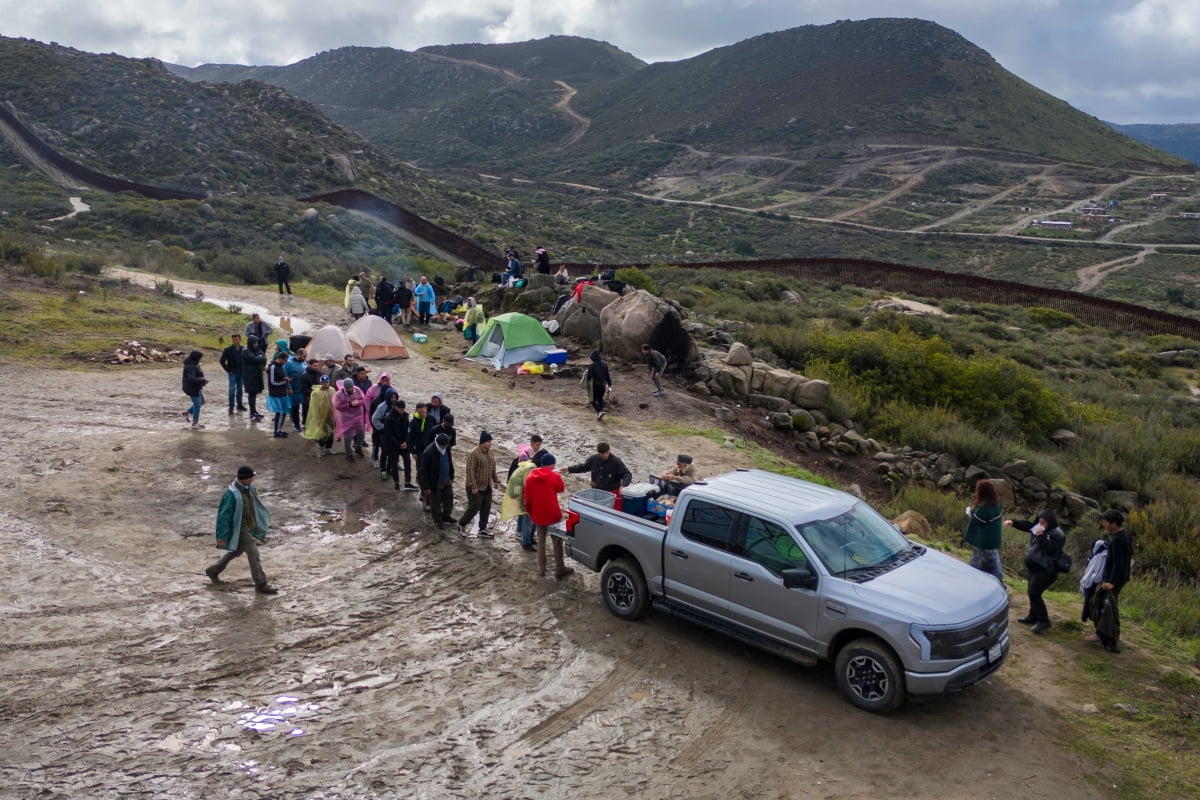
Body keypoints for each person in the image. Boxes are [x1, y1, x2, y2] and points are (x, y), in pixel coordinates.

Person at [205, 466, 277, 594]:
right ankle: (261, 584)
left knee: (236, 551)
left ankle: (213, 570)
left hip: (246, 528)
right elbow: (224, 517)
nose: (253, 479)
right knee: (254, 555)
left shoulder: (249, 489)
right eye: (251, 477)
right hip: (240, 529)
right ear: (244, 479)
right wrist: (222, 536)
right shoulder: (231, 494)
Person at [1005, 509, 1066, 634]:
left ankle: (1043, 620)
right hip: (1035, 566)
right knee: (1031, 591)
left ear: (1050, 522)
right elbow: (1028, 525)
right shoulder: (1039, 528)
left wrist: (1042, 536)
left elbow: (1052, 550)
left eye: (1044, 522)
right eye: (1040, 521)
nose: (1041, 524)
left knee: (1034, 592)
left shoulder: (1057, 534)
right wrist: (1013, 522)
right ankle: (1033, 616)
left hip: (1047, 569)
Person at [526, 453, 573, 579]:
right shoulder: (554, 476)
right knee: (557, 540)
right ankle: (560, 567)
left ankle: (541, 568)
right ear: (552, 464)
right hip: (552, 513)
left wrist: (530, 512)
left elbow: (527, 498)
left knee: (541, 540)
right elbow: (561, 488)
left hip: (538, 513)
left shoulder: (530, 477)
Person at [1091, 509, 1132, 653]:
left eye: (1106, 522)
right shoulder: (1123, 535)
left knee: (1109, 608)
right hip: (1118, 578)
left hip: (1114, 580)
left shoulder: (1119, 540)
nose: (1104, 524)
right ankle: (1105, 635)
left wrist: (1112, 582)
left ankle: (1109, 640)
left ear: (1114, 523)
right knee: (1107, 605)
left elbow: (1119, 564)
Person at [458, 430, 502, 537]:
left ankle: (482, 529)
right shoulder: (474, 453)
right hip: (475, 487)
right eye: (488, 442)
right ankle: (462, 524)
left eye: (490, 442)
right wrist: (474, 486)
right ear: (482, 442)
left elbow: (493, 469)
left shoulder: (490, 453)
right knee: (474, 506)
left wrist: (496, 481)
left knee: (486, 507)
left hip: (486, 486)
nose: (490, 444)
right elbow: (470, 471)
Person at [964, 479, 1004, 583]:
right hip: (992, 540)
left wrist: (970, 512)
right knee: (983, 560)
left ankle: (997, 582)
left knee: (989, 563)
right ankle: (974, 578)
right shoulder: (996, 503)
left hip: (984, 541)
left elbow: (977, 520)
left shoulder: (985, 507)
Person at [503, 444, 538, 552]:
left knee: (523, 514)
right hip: (523, 494)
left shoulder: (523, 466)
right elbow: (516, 481)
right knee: (524, 515)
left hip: (522, 493)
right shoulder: (525, 468)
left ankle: (522, 534)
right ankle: (523, 537)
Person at [419, 432, 456, 529]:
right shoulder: (429, 452)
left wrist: (451, 473)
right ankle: (438, 520)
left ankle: (446, 516)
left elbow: (449, 461)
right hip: (435, 483)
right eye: (443, 446)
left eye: (445, 445)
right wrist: (426, 487)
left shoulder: (446, 448)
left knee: (449, 500)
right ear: (438, 444)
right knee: (435, 503)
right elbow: (423, 471)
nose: (444, 447)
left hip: (447, 479)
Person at [562, 442, 632, 492]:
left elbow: (627, 474)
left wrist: (623, 486)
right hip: (596, 491)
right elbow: (583, 467)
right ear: (598, 453)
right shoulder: (593, 459)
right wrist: (569, 469)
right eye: (602, 453)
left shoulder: (616, 461)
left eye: (606, 453)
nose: (604, 455)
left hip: (611, 492)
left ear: (609, 451)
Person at [376, 395, 411, 491]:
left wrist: (405, 442)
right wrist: (399, 444)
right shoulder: (388, 418)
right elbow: (388, 434)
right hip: (393, 445)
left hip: (404, 443)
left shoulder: (406, 416)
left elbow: (407, 431)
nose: (402, 411)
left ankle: (408, 482)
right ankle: (396, 484)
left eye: (403, 409)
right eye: (400, 409)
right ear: (395, 407)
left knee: (407, 463)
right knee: (394, 465)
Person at [332, 378, 369, 461]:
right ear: (344, 388)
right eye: (348, 388)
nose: (350, 389)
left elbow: (363, 400)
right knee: (348, 437)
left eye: (351, 387)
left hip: (358, 416)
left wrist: (358, 402)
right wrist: (349, 404)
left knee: (361, 434)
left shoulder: (357, 390)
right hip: (346, 418)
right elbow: (337, 406)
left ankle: (358, 448)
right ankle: (349, 454)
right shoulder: (339, 395)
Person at [303, 375, 336, 457]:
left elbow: (335, 402)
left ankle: (329, 448)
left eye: (327, 382)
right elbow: (314, 406)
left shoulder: (332, 390)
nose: (325, 384)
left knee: (331, 433)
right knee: (323, 433)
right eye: (324, 382)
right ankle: (321, 449)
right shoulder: (315, 393)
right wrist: (317, 418)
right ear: (321, 382)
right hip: (321, 416)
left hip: (331, 415)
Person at [266, 351, 293, 438]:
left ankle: (279, 430)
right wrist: (285, 381)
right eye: (285, 360)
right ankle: (277, 432)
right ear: (281, 359)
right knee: (280, 412)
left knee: (283, 412)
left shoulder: (280, 366)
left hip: (281, 393)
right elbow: (273, 382)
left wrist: (285, 381)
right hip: (276, 393)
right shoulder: (273, 367)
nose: (285, 362)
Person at [241, 335, 267, 422]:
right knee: (251, 395)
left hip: (257, 376)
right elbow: (254, 359)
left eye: (257, 343)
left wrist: (260, 358)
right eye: (255, 343)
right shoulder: (245, 351)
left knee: (254, 395)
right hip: (249, 377)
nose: (256, 344)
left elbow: (264, 358)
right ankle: (252, 413)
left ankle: (254, 411)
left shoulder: (257, 350)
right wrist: (260, 358)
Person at [219, 334, 246, 414]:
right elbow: (222, 361)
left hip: (241, 372)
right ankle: (231, 406)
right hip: (232, 372)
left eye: (236, 339)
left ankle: (239, 404)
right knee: (232, 390)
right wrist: (228, 370)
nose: (235, 341)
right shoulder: (228, 350)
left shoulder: (244, 349)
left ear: (240, 340)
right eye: (233, 340)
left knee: (240, 389)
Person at [181, 350, 208, 430]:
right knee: (197, 404)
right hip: (191, 388)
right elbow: (191, 378)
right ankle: (194, 423)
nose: (200, 359)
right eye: (200, 358)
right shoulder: (190, 367)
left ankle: (186, 413)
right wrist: (202, 379)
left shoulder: (193, 364)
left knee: (202, 402)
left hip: (196, 387)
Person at [283, 347, 307, 433]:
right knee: (295, 409)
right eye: (304, 356)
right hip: (294, 390)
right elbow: (285, 376)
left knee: (305, 408)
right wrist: (289, 388)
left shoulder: (304, 363)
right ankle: (297, 425)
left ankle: (304, 423)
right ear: (299, 354)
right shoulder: (289, 364)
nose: (305, 358)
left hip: (303, 390)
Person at [584, 350, 612, 421]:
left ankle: (600, 411)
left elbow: (589, 377)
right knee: (600, 399)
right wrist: (609, 384)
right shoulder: (605, 365)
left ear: (593, 358)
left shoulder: (592, 366)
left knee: (592, 400)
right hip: (603, 385)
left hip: (595, 386)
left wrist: (586, 380)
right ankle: (600, 413)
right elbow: (607, 376)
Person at [298, 357, 324, 428]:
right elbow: (303, 388)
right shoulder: (304, 376)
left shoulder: (319, 374)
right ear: (310, 365)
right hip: (308, 398)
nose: (316, 367)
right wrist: (313, 393)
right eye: (314, 366)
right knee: (307, 414)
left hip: (319, 398)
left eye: (317, 366)